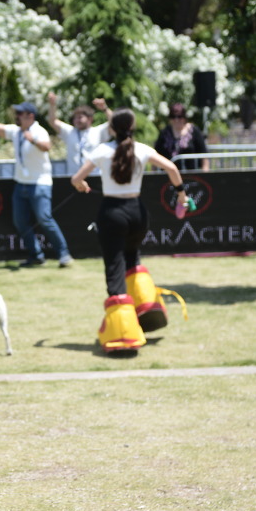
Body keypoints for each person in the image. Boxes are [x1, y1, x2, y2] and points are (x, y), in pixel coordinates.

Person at [71, 108, 188, 353]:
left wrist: (82, 186)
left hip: (112, 212)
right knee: (132, 257)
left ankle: (122, 334)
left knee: (114, 265)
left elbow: (76, 178)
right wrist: (181, 195)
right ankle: (145, 304)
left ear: (112, 128)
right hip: (137, 213)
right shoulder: (143, 149)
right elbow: (173, 170)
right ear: (132, 127)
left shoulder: (102, 151)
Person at [0, 100, 73, 268]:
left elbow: (47, 146)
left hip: (40, 183)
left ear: (30, 116)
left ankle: (64, 254)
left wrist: (32, 140)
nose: (16, 117)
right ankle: (36, 255)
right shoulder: (16, 131)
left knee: (44, 219)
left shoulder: (38, 131)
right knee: (20, 222)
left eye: (20, 114)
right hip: (21, 183)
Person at [48, 93, 113, 176]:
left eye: (80, 117)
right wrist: (52, 104)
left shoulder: (97, 131)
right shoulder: (69, 131)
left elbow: (114, 122)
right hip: (73, 177)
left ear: (90, 119)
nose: (77, 120)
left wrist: (105, 109)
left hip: (94, 176)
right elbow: (52, 121)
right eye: (75, 118)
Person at [154, 103, 209, 171]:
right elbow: (155, 156)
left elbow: (204, 155)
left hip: (191, 176)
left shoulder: (194, 131)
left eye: (179, 117)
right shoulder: (164, 133)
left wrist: (205, 174)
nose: (176, 120)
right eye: (173, 117)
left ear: (184, 117)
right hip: (167, 176)